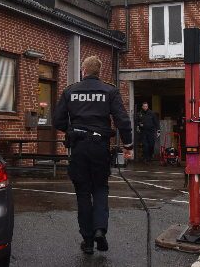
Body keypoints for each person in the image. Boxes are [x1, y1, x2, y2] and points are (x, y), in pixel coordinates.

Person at [54, 56, 133, 255]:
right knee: (100, 188)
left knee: (82, 192)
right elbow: (122, 119)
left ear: (84, 71)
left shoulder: (70, 91)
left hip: (79, 147)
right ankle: (100, 229)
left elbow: (57, 120)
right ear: (99, 72)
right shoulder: (109, 91)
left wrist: (71, 130)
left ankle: (87, 240)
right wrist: (128, 144)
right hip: (100, 147)